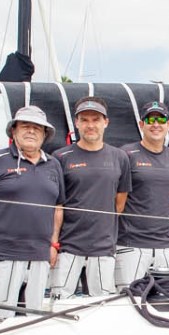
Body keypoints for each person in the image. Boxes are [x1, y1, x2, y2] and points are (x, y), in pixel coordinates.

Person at [0, 106, 65, 320]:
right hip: (2, 255)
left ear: (44, 134)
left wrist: (53, 244)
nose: (31, 131)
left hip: (39, 257)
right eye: (25, 126)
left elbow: (58, 208)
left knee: (32, 322)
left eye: (37, 128)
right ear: (14, 131)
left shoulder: (54, 165)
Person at [50, 96, 131, 299]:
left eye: (95, 119)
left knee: (101, 306)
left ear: (106, 122)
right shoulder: (60, 157)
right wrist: (52, 243)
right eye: (84, 120)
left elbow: (120, 202)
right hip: (67, 248)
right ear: (76, 123)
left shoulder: (120, 157)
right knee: (58, 304)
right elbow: (55, 205)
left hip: (103, 248)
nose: (90, 125)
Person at [115, 101, 169, 288]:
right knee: (127, 302)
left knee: (167, 302)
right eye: (150, 119)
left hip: (165, 244)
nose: (156, 124)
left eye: (161, 119)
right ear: (141, 124)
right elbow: (117, 198)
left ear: (168, 125)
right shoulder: (126, 154)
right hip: (130, 244)